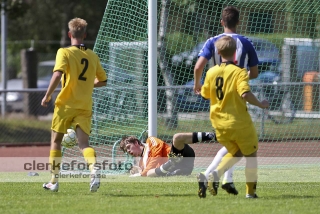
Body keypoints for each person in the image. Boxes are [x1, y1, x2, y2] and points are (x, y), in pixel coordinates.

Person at [194, 5, 260, 197]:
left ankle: (224, 179)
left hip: (217, 102)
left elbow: (199, 66)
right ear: (239, 21)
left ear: (222, 22)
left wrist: (198, 84)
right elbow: (254, 73)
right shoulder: (246, 43)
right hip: (237, 101)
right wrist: (241, 78)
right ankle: (217, 177)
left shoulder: (212, 42)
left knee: (232, 146)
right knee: (242, 147)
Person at [41, 18, 107, 192]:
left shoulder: (64, 52)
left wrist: (47, 95)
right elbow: (103, 81)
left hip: (65, 105)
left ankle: (53, 181)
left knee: (56, 141)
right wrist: (87, 84)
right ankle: (94, 170)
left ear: (70, 34)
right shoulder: (92, 55)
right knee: (84, 144)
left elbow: (57, 75)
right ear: (85, 35)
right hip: (84, 105)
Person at [199, 36, 269, 199]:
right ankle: (250, 193)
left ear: (218, 52)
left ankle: (215, 175)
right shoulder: (239, 72)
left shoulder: (211, 72)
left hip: (219, 124)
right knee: (251, 156)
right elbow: (245, 93)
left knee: (236, 152)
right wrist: (261, 104)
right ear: (236, 52)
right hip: (238, 122)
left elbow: (205, 94)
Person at [119, 132, 216, 177]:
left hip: (180, 156)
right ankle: (173, 168)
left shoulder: (150, 141)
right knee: (149, 173)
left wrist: (141, 174)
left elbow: (157, 152)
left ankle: (213, 135)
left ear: (136, 142)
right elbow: (149, 172)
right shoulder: (141, 163)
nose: (129, 151)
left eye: (128, 147)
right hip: (177, 169)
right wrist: (138, 171)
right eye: (126, 151)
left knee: (177, 137)